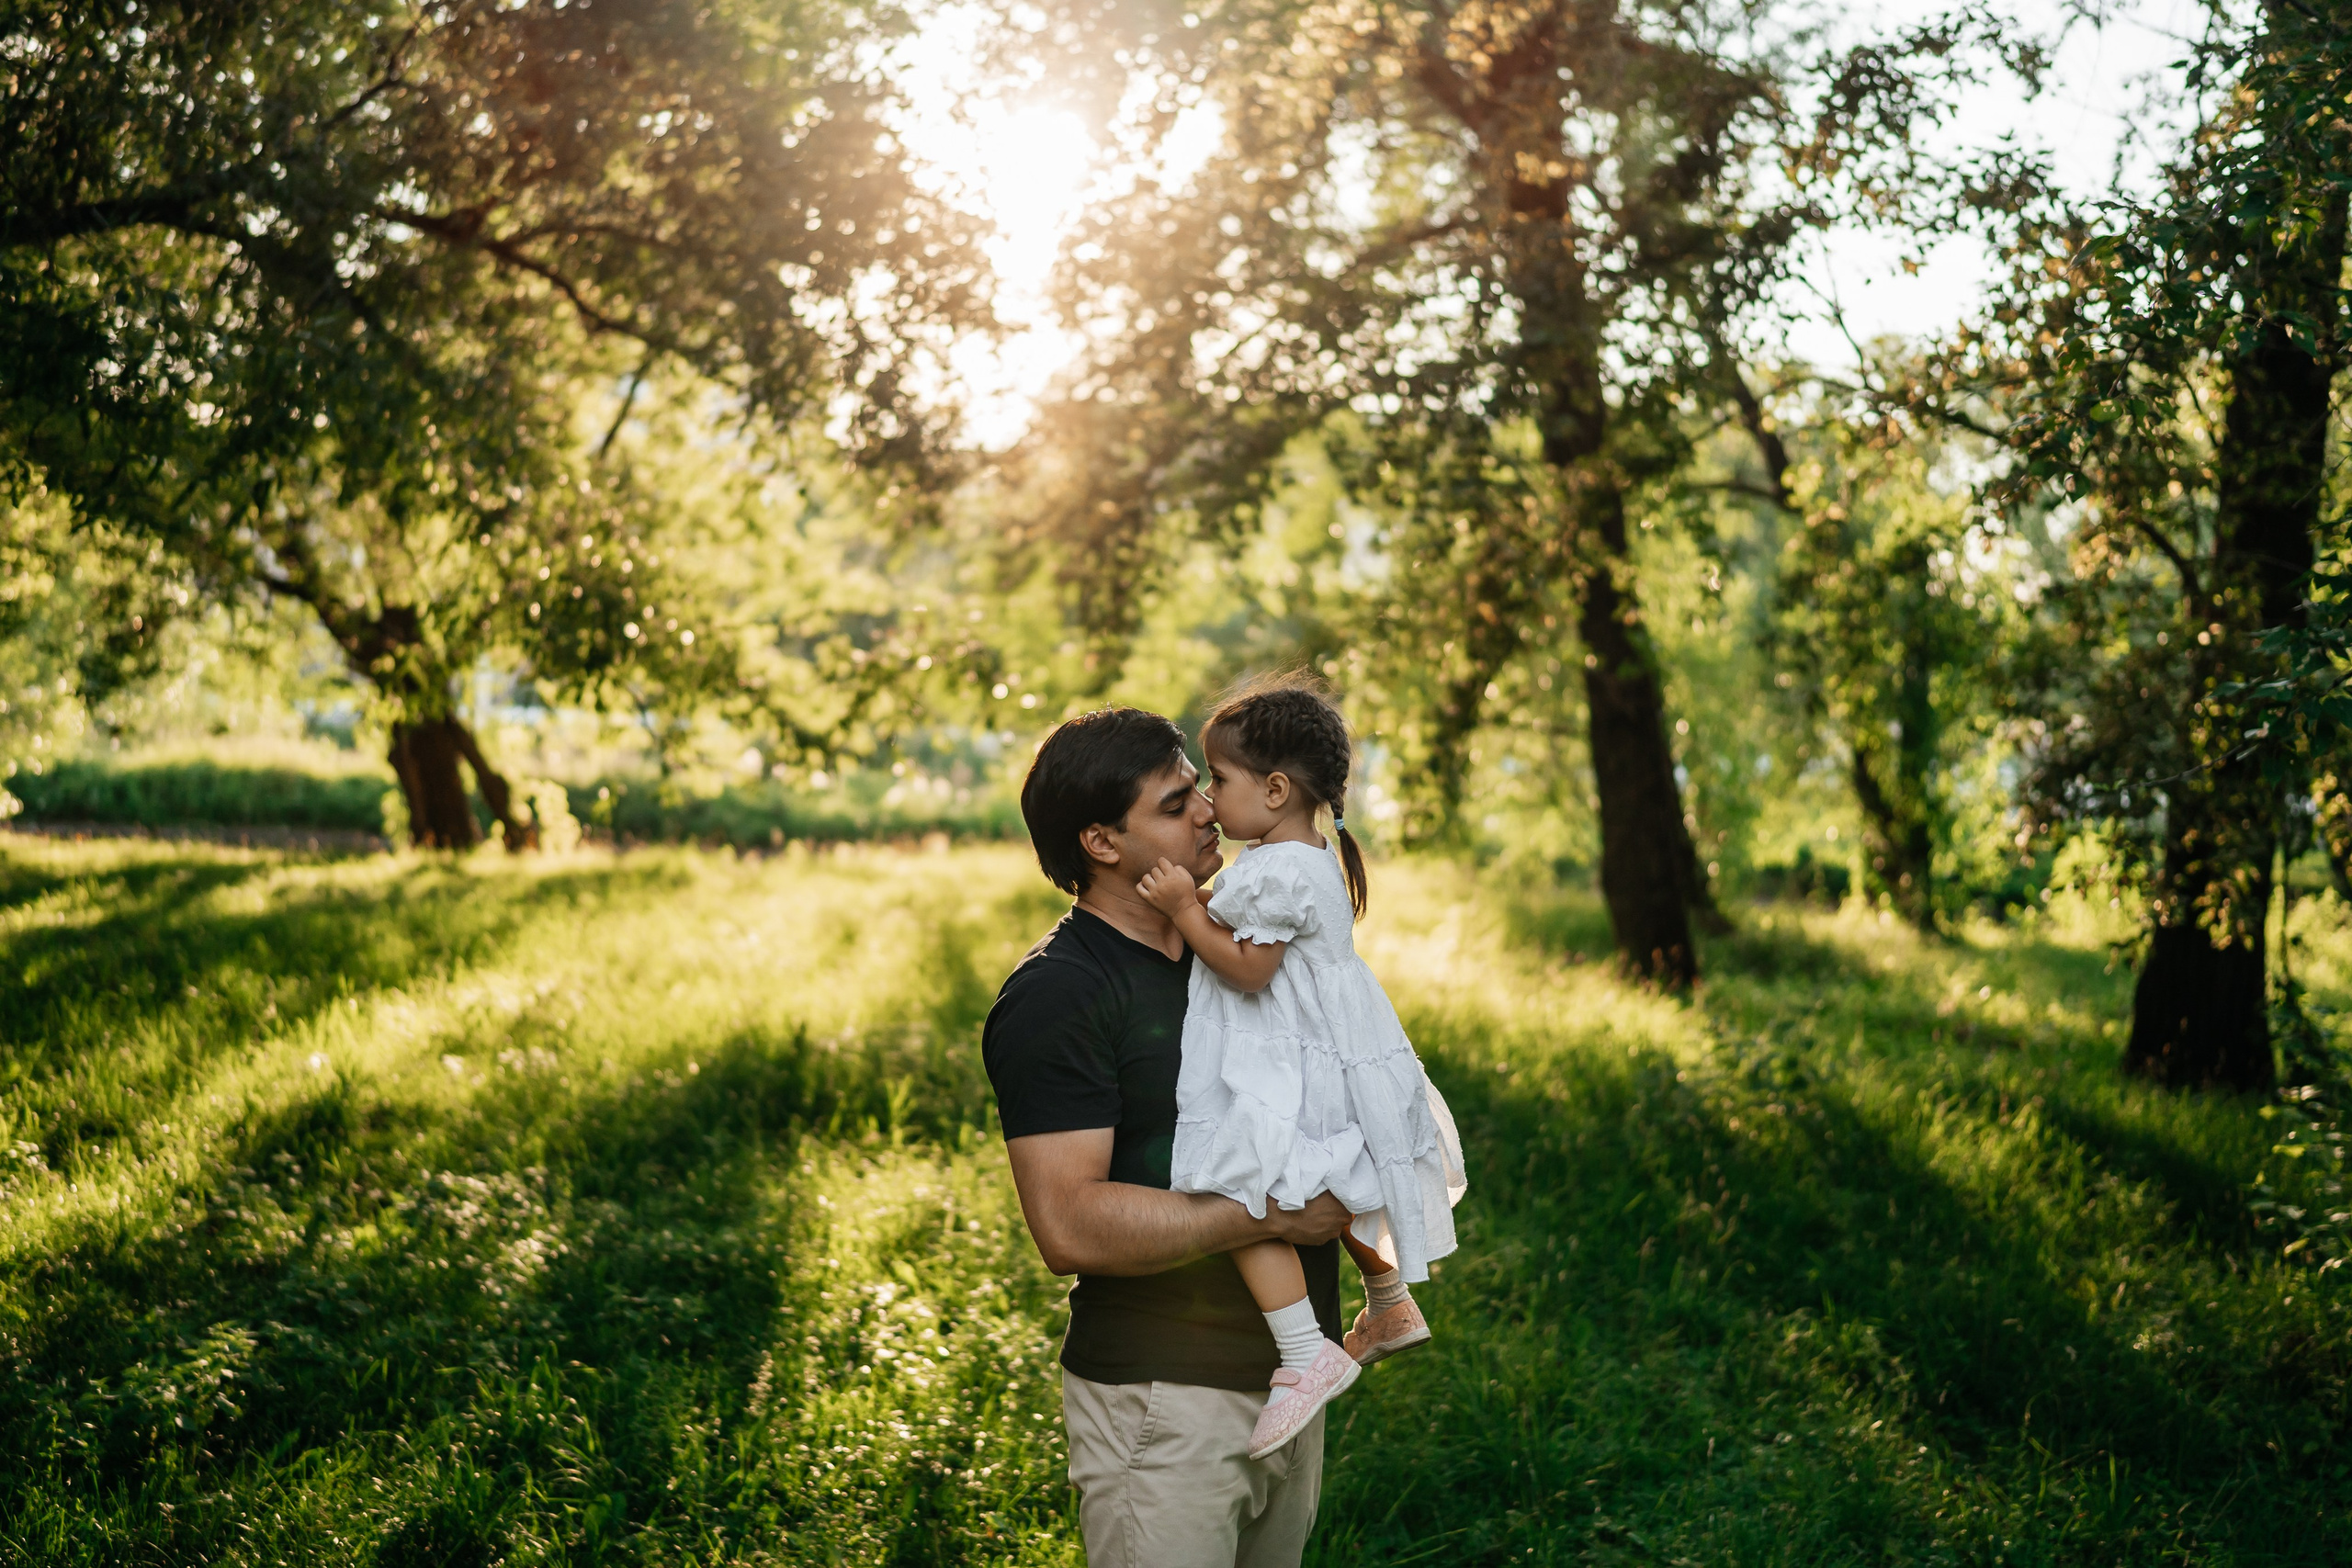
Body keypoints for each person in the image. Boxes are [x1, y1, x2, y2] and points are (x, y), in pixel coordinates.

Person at [982, 706, 1353, 1568]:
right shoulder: (1060, 993)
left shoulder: (1237, 948)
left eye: (1200, 788)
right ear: (1102, 842)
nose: (1209, 811)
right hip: (1162, 1402)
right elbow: (1069, 1226)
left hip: (1294, 1378)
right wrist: (1271, 1212)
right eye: (1175, 802)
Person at [1136, 677, 1467, 1461]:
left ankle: (1301, 1350)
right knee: (1335, 1169)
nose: (1209, 803)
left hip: (1297, 1057)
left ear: (1276, 790)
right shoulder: (1304, 856)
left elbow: (1249, 971)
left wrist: (1183, 910)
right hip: (1340, 1048)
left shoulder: (1275, 869)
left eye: (1219, 780)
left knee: (1238, 1183)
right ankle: (1387, 1297)